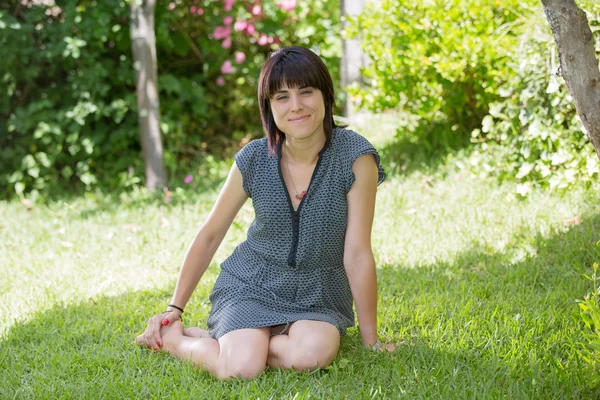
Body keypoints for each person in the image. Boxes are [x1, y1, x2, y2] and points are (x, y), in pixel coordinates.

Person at [135, 46, 394, 380]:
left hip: (319, 294)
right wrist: (175, 308)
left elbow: (357, 252)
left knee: (312, 355)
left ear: (326, 96)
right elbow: (211, 233)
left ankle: (235, 342)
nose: (296, 106)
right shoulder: (255, 158)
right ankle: (175, 341)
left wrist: (370, 340)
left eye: (306, 92)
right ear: (269, 107)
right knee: (239, 370)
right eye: (282, 97)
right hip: (252, 285)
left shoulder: (356, 157)